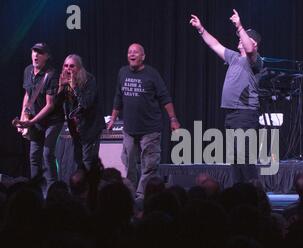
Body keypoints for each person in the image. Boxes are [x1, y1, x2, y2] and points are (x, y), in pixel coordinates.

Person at [190, 9, 263, 183]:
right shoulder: (233, 57)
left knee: (244, 157)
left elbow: (250, 48)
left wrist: (239, 27)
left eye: (246, 37)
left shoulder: (255, 60)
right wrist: (201, 29)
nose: (241, 39)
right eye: (241, 36)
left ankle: (256, 193)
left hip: (245, 113)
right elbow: (215, 44)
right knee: (235, 158)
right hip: (231, 114)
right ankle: (238, 191)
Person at [107, 43, 180, 199]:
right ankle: (130, 193)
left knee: (149, 166)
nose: (132, 55)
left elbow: (165, 98)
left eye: (135, 52)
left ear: (143, 57)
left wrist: (173, 119)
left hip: (150, 129)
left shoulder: (152, 74)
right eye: (129, 52)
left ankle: (141, 196)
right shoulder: (123, 72)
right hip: (129, 130)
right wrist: (113, 118)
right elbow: (118, 97)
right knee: (129, 165)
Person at [16, 43, 64, 194]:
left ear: (47, 57)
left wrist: (32, 121)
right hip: (36, 121)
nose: (36, 55)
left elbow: (50, 105)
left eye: (40, 53)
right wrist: (24, 115)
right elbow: (28, 95)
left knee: (47, 154)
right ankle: (35, 192)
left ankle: (53, 192)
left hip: (53, 121)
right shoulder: (28, 71)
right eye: (34, 52)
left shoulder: (51, 75)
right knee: (34, 156)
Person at [55, 54, 105, 172]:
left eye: (72, 66)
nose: (68, 69)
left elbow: (86, 103)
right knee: (78, 160)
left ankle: (91, 187)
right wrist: (60, 88)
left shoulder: (89, 79)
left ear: (79, 68)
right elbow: (56, 106)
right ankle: (82, 188)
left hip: (90, 127)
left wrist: (74, 87)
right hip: (75, 129)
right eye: (66, 66)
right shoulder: (64, 81)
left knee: (88, 160)